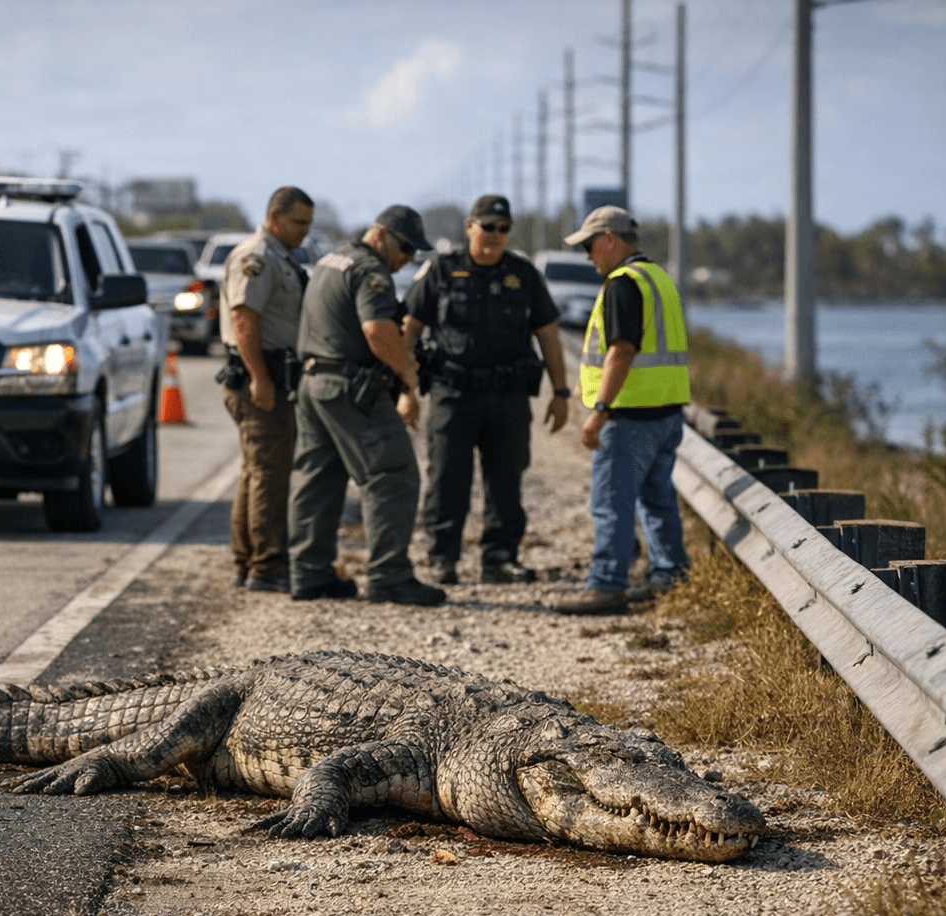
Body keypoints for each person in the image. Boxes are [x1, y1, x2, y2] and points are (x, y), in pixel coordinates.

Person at [402, 195, 570, 585]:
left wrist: (561, 394)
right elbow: (409, 329)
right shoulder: (441, 270)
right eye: (487, 227)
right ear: (469, 227)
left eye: (503, 229)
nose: (495, 236)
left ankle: (499, 559)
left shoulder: (523, 274)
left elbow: (547, 335)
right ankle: (443, 558)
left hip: (508, 396)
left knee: (506, 481)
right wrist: (405, 388)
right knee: (447, 480)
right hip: (452, 393)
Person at [286, 205, 446, 606]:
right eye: (406, 247)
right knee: (393, 474)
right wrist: (408, 376)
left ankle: (309, 575)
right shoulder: (369, 270)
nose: (408, 258)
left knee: (318, 478)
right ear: (381, 234)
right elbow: (377, 331)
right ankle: (389, 575)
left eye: (415, 253)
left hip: (312, 383)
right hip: (349, 388)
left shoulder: (330, 261)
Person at [552, 206, 691, 615]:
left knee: (611, 502)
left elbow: (622, 350)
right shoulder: (660, 278)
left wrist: (599, 410)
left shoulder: (622, 283)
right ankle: (669, 575)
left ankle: (607, 585)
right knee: (657, 498)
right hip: (667, 413)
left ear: (609, 239)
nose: (588, 256)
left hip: (629, 416)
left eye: (590, 246)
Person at [218, 186, 315, 592]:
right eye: (298, 223)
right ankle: (268, 565)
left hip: (272, 375)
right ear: (275, 217)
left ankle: (247, 561)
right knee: (269, 475)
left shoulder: (281, 256)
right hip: (261, 378)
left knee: (255, 472)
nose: (304, 232)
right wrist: (260, 377)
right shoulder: (256, 257)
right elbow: (244, 319)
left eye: (309, 224)